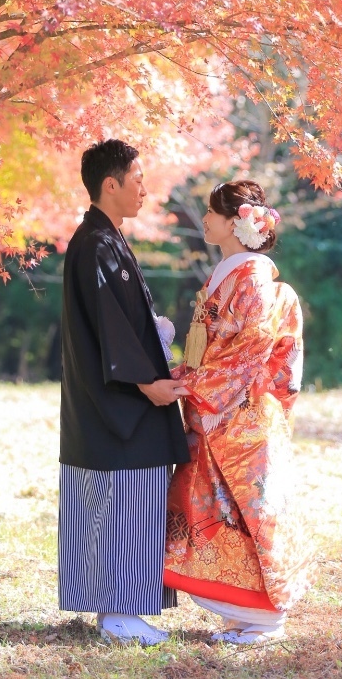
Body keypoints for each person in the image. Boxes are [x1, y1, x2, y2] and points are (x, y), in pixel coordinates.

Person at [163, 180, 311, 644]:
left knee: (248, 513)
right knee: (219, 510)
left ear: (235, 222)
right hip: (221, 412)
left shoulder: (251, 279)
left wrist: (189, 385)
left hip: (240, 416)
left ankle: (264, 619)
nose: (204, 220)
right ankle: (242, 614)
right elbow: (211, 347)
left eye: (211, 213)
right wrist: (181, 375)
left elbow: (250, 348)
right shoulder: (230, 273)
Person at [58, 139, 190, 645]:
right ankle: (119, 613)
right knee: (125, 501)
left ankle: (114, 610)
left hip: (111, 401)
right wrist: (147, 383)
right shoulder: (95, 243)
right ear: (109, 184)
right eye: (137, 179)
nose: (144, 188)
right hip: (120, 403)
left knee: (117, 503)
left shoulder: (103, 239)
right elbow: (109, 328)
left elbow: (119, 323)